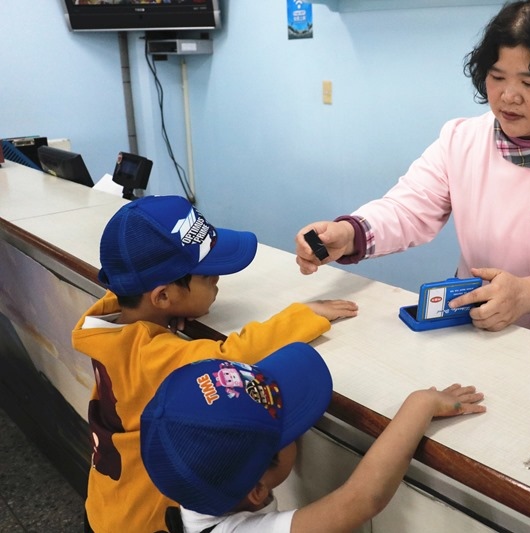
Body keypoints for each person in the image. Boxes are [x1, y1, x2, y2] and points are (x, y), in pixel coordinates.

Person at [295, 0, 530, 359]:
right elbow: (408, 208)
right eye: (497, 77)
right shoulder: (461, 139)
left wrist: (528, 293)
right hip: (480, 329)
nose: (509, 95)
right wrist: (350, 234)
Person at [72, 195, 358, 533]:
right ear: (162, 296)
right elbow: (229, 361)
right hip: (143, 520)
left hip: (107, 504)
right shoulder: (156, 358)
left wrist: (163, 318)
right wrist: (303, 316)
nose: (218, 279)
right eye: (207, 276)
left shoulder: (110, 322)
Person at [140, 342, 486, 532]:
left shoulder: (199, 478)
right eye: (292, 429)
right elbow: (363, 499)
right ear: (258, 489)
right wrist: (420, 404)